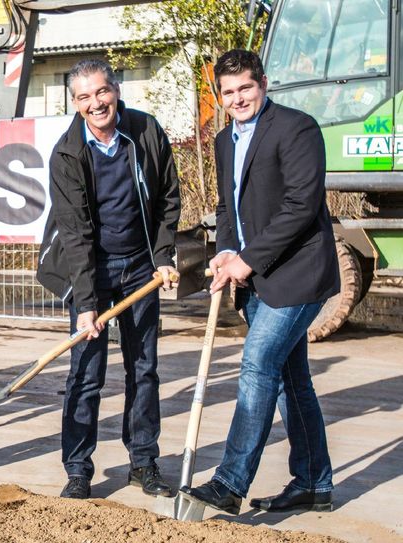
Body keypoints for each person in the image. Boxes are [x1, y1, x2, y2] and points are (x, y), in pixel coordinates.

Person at [181, 49, 339, 515]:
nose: (237, 98)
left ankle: (230, 483)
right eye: (228, 92)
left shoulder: (297, 128)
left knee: (255, 367)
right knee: (294, 382)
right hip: (257, 279)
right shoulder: (225, 140)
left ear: (263, 83)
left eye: (245, 88)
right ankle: (314, 482)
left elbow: (301, 205)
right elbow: (228, 207)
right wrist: (226, 251)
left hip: (299, 275)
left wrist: (247, 260)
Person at [36, 58, 180, 500]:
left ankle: (143, 462)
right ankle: (78, 469)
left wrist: (163, 256)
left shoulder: (145, 131)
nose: (96, 103)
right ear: (75, 103)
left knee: (144, 368)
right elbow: (75, 233)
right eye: (84, 97)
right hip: (92, 270)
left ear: (115, 90)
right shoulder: (67, 154)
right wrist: (85, 304)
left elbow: (168, 198)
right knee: (85, 372)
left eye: (102, 92)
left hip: (140, 266)